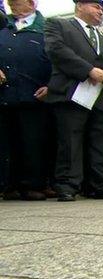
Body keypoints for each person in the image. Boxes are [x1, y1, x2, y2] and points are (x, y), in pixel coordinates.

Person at [44, 0, 103, 202]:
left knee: (100, 144)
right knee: (70, 141)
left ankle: (99, 184)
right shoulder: (58, 25)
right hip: (72, 92)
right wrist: (89, 70)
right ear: (80, 5)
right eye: (96, 6)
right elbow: (57, 50)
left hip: (102, 97)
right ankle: (67, 184)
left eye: (102, 8)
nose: (100, 11)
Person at [0, 0, 52, 201]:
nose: (13, 6)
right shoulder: (4, 29)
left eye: (17, 2)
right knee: (6, 142)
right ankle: (8, 185)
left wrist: (51, 86)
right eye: (10, 3)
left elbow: (59, 62)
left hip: (35, 95)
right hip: (5, 96)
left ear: (32, 3)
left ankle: (32, 184)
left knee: (32, 142)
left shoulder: (47, 29)